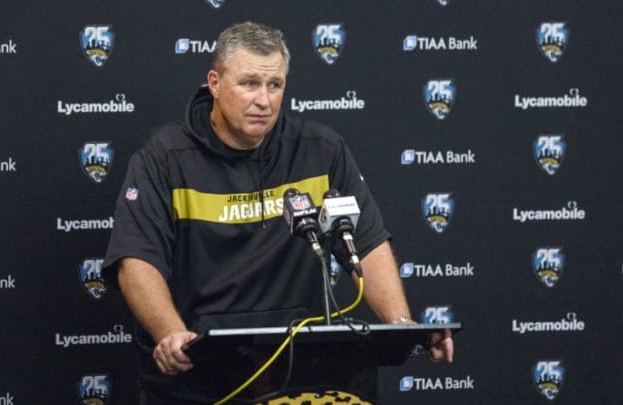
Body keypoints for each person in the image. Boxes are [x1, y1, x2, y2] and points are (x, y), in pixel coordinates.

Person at [103, 21, 454, 404]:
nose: (265, 101)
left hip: (303, 375)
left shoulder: (320, 150)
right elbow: (136, 260)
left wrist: (401, 328)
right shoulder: (164, 158)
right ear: (215, 83)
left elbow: (366, 244)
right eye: (250, 84)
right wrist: (171, 333)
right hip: (201, 376)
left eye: (275, 86)